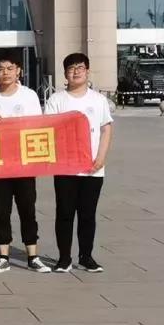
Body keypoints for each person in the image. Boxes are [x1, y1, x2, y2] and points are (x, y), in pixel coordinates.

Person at [0, 51, 50, 273]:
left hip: (23, 162)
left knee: (27, 208)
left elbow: (38, 126)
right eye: (0, 69)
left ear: (18, 71)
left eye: (9, 68)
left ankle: (32, 256)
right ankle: (3, 256)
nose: (5, 73)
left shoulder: (29, 96)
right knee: (1, 209)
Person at [44, 52, 114, 273]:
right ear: (65, 73)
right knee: (64, 213)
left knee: (87, 214)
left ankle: (86, 256)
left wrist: (100, 158)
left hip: (92, 167)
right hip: (65, 167)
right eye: (71, 68)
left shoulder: (98, 100)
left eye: (80, 67)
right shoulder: (56, 100)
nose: (76, 72)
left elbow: (106, 129)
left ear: (87, 71)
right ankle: (64, 258)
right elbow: (47, 131)